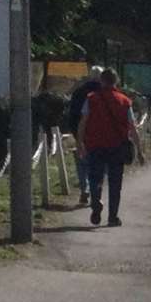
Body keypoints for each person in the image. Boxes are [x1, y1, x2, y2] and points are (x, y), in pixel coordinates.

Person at [78, 68, 140, 226]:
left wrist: (80, 143)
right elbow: (132, 128)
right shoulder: (124, 101)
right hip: (117, 146)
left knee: (94, 178)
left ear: (101, 81)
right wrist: (139, 151)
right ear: (116, 81)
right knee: (115, 183)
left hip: (95, 145)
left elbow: (83, 123)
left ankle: (96, 203)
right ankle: (113, 217)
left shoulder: (91, 98)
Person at [65, 66, 104, 206]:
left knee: (82, 161)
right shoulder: (103, 92)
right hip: (99, 133)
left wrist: (75, 133)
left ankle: (84, 188)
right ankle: (96, 192)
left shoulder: (79, 91)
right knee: (98, 164)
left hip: (80, 132)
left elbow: (72, 115)